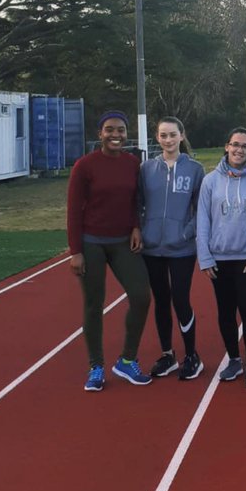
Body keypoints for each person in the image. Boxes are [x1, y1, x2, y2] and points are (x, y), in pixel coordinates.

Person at [66, 110, 153, 391]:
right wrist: (75, 251)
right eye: (110, 130)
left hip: (122, 241)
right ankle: (96, 366)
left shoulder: (132, 163)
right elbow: (73, 211)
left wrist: (136, 227)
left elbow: (134, 200)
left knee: (141, 295)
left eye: (120, 130)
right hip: (91, 242)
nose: (116, 135)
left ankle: (127, 360)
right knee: (94, 304)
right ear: (100, 133)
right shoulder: (85, 166)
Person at [196, 128, 246, 388]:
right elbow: (203, 220)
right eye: (235, 144)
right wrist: (205, 257)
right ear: (227, 146)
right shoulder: (210, 181)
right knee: (225, 312)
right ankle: (234, 359)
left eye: (245, 146)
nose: (240, 150)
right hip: (219, 258)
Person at [139, 116, 205, 380]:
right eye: (163, 135)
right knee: (161, 301)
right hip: (152, 248)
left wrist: (186, 232)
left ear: (181, 135)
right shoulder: (145, 169)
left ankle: (191, 355)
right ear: (158, 138)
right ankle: (168, 354)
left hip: (182, 249)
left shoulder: (195, 169)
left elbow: (201, 208)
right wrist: (143, 231)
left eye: (172, 135)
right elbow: (138, 204)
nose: (168, 140)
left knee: (180, 299)